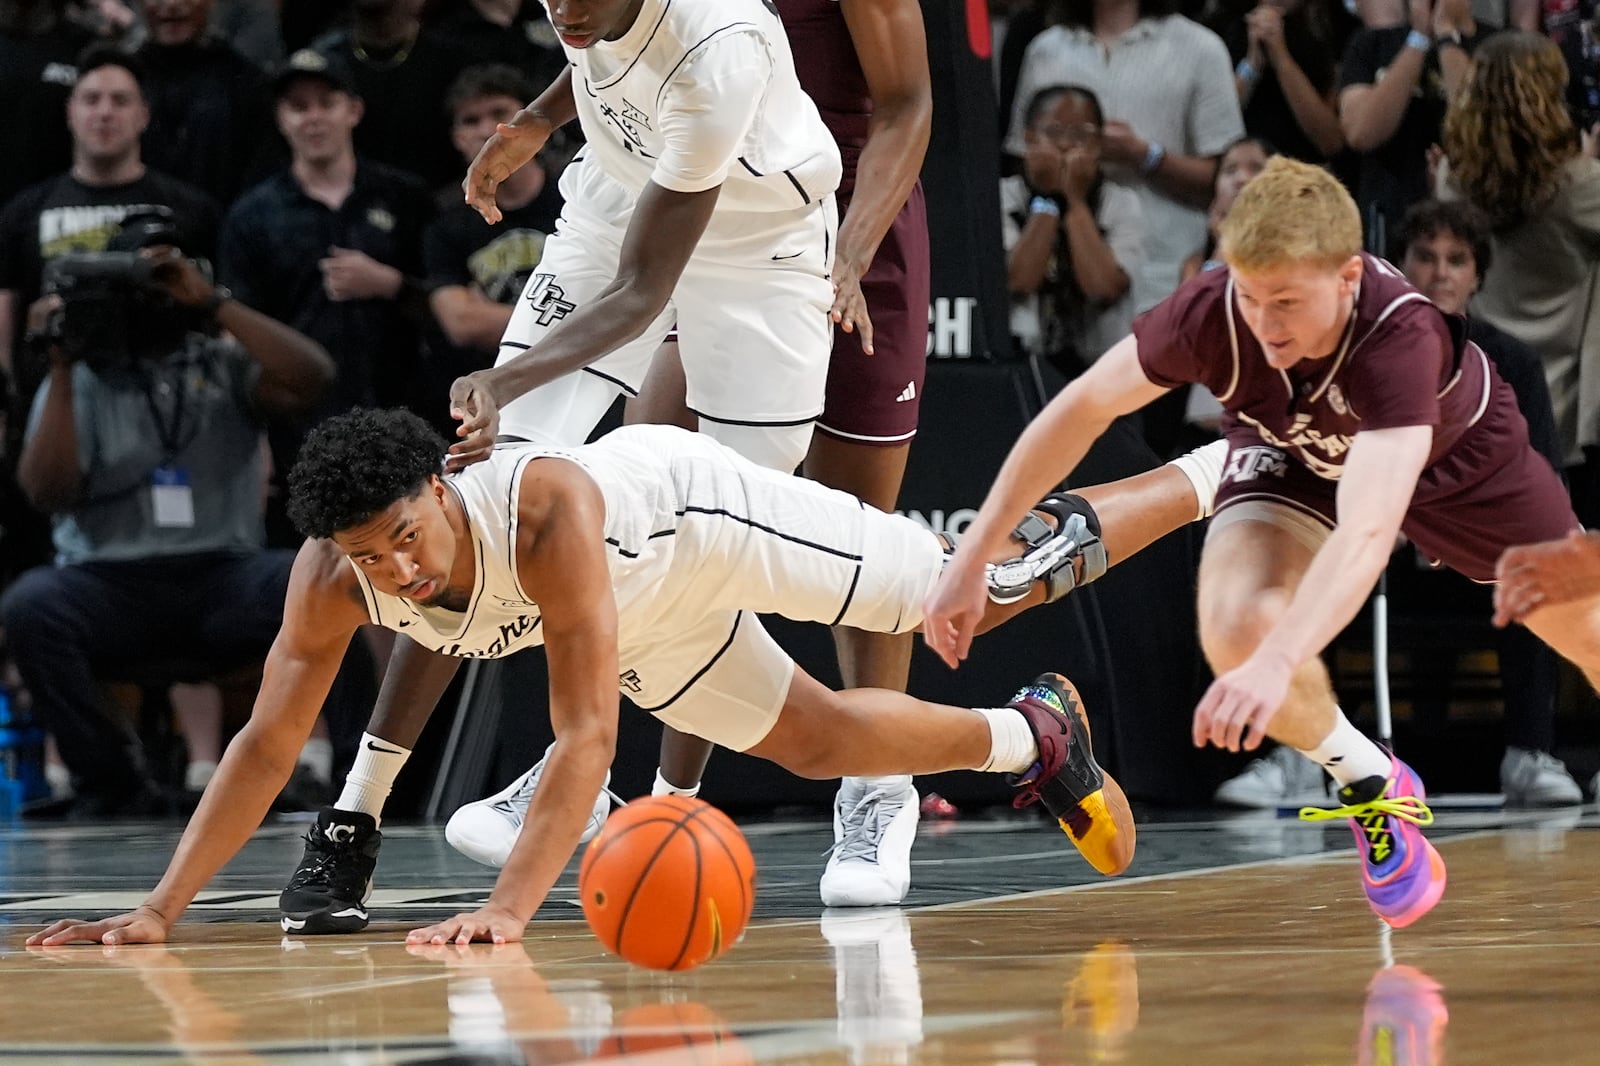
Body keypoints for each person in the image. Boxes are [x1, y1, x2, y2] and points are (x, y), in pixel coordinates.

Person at [24, 406, 1182, 944]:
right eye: (369, 556)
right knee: (822, 741)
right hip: (649, 615)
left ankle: (1206, 468)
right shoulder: (334, 578)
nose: (398, 570)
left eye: (404, 537)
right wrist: (158, 908)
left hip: (695, 519)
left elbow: (585, 740)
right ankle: (1034, 735)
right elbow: (267, 746)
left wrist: (508, 909)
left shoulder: (541, 511)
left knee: (987, 581)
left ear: (440, 483)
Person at [273, 0, 850, 930]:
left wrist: (507, 382)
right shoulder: (588, 18)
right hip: (618, 198)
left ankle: (662, 809)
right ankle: (354, 816)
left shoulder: (719, 51)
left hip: (760, 249)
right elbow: (598, 54)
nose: (567, 11)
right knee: (462, 502)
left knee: (719, 545)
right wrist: (539, 117)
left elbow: (642, 294)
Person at [926, 156, 1600, 929]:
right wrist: (975, 550)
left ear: (1348, 279)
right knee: (1239, 629)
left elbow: (1372, 527)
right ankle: (1370, 781)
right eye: (1250, 297)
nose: (1265, 324)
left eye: (1287, 302)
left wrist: (1284, 661)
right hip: (1295, 454)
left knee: (1588, 636)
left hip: (1458, 466)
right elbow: (1079, 410)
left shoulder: (1398, 335)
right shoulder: (1215, 307)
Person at [0, 209, 335, 816]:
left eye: (164, 276)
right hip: (109, 582)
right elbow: (45, 490)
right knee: (31, 604)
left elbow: (313, 376)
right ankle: (113, 782)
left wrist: (214, 305)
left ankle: (298, 771)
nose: (150, 296)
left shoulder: (221, 361)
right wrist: (61, 361)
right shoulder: (83, 375)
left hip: (221, 575)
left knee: (322, 575)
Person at [1003, 84, 1144, 376]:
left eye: (1081, 135)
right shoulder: (1001, 197)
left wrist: (1075, 201)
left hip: (1102, 372)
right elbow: (1018, 279)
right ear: (1028, 138)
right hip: (1019, 366)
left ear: (1098, 146)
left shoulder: (1122, 203)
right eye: (1053, 133)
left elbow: (1103, 287)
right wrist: (1048, 200)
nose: (1066, 145)